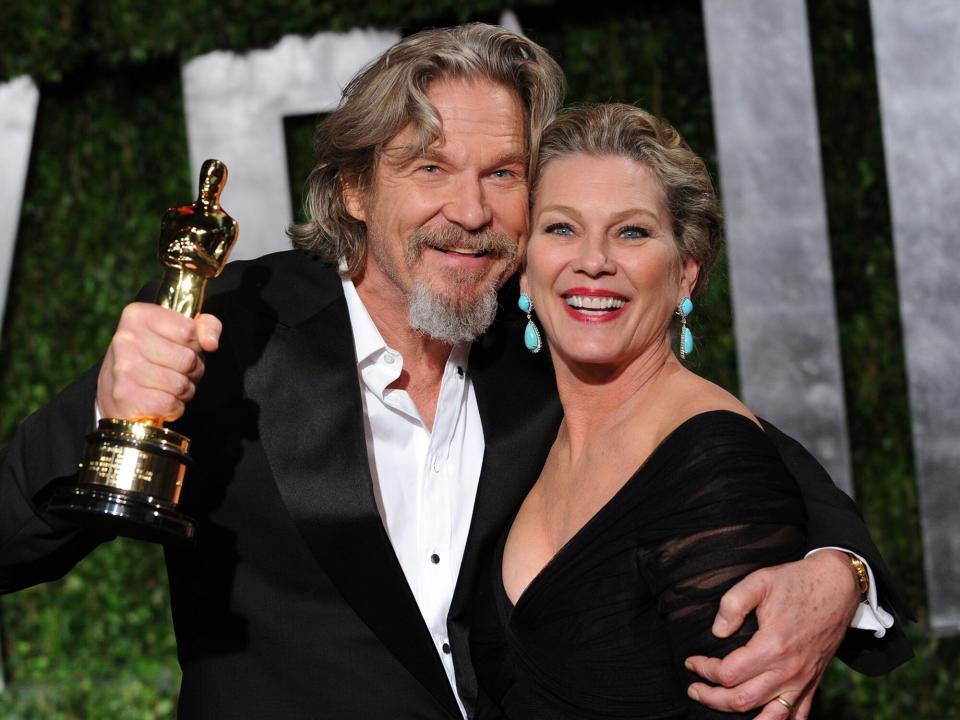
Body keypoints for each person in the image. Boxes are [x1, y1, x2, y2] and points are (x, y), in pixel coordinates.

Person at [0, 23, 909, 720]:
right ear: (355, 189)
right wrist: (105, 418)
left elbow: (725, 445)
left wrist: (841, 573)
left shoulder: (540, 338)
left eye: (504, 173)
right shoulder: (239, 324)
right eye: (430, 167)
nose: (468, 212)